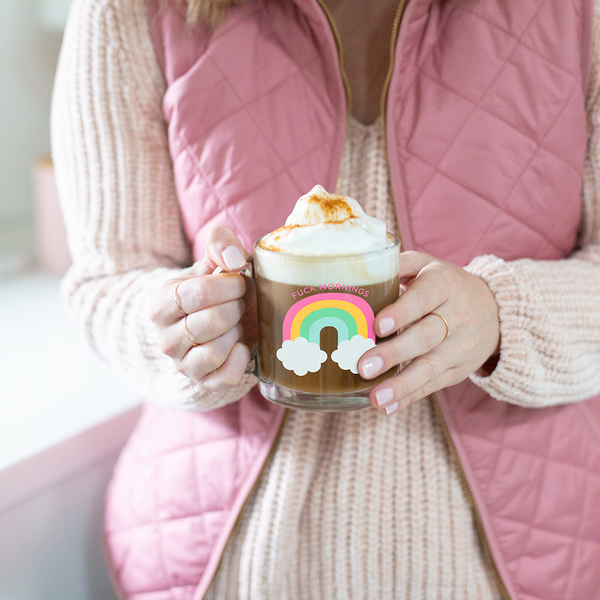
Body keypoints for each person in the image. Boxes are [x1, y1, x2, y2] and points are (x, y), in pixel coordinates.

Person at [51, 0, 600, 598]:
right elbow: (108, 278)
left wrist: (502, 316)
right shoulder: (130, 11)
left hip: (529, 548)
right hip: (220, 556)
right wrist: (181, 328)